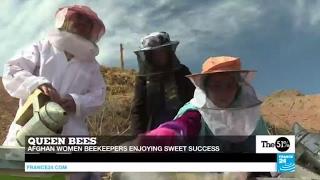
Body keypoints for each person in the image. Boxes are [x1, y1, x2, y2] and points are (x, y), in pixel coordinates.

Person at [2, 5, 106, 180]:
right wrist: (38, 83)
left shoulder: (91, 65)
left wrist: (76, 101)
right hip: (32, 125)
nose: (80, 24)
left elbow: (99, 94)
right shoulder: (42, 47)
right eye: (77, 19)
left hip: (73, 133)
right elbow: (12, 70)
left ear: (91, 30)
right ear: (65, 21)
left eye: (86, 22)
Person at [130, 32, 195, 135]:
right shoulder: (143, 79)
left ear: (168, 52)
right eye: (154, 53)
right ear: (149, 56)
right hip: (155, 132)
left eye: (161, 51)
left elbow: (194, 101)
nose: (158, 56)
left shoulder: (182, 72)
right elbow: (138, 110)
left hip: (184, 128)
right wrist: (138, 138)